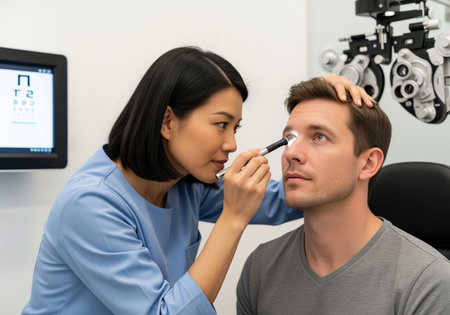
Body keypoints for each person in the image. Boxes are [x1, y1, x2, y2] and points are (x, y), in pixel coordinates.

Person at [22, 47, 373, 315]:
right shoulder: (90, 205)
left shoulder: (183, 184)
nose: (231, 144)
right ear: (167, 121)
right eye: (221, 124)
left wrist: (347, 114)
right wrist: (232, 220)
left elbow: (290, 198)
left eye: (236, 128)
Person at [236, 77, 450, 315]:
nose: (291, 153)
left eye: (319, 137)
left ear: (368, 163)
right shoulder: (260, 267)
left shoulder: (427, 281)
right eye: (289, 139)